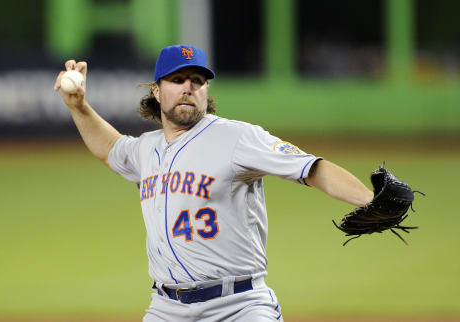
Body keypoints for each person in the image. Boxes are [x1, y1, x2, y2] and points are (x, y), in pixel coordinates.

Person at [54, 45, 373, 322]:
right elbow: (109, 148)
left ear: (206, 90)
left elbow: (312, 168)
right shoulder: (145, 149)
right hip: (167, 308)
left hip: (240, 305)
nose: (188, 88)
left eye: (197, 81)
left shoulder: (237, 137)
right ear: (156, 90)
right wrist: (78, 107)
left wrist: (370, 200)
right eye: (177, 80)